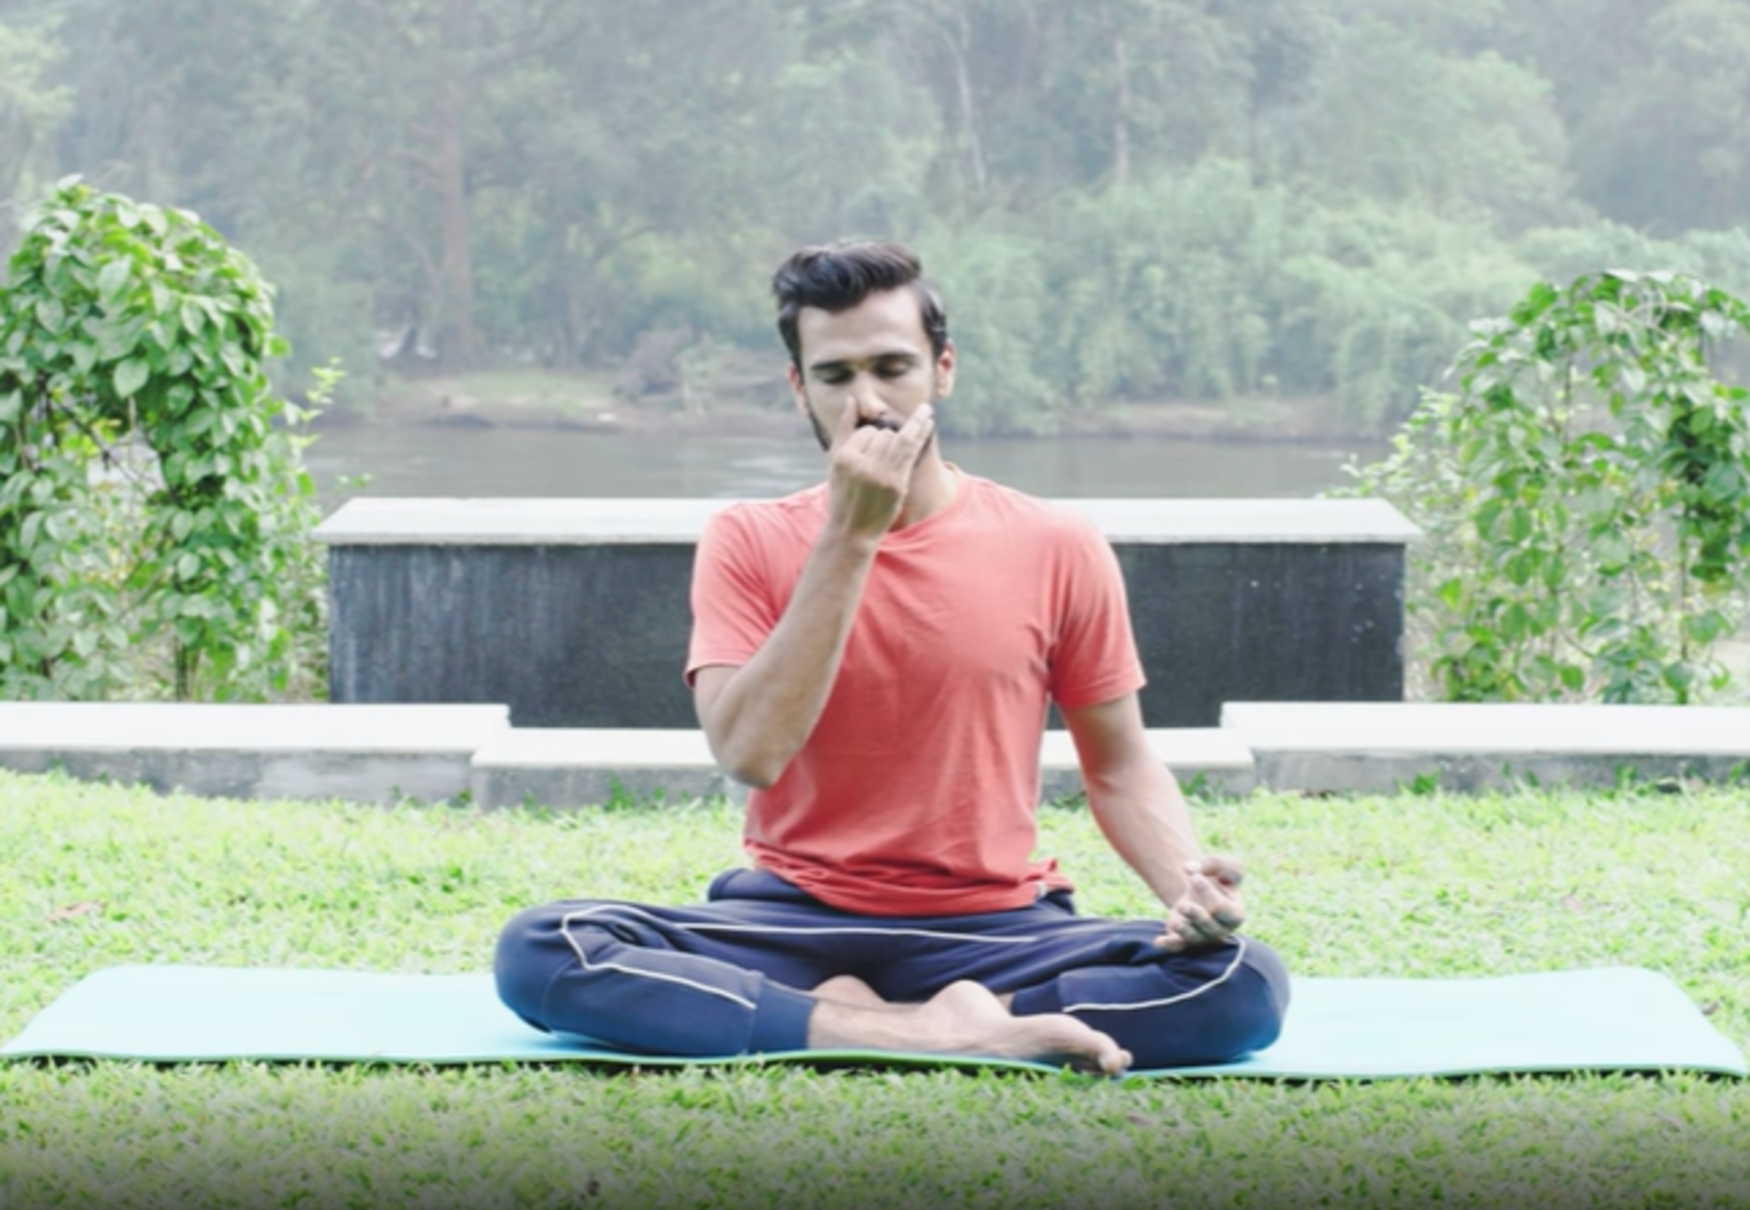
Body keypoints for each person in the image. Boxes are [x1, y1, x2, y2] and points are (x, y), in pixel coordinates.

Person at [495, 240, 1289, 1073]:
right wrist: (850, 534)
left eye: (892, 367)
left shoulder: (1057, 542)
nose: (868, 403)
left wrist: (1185, 887)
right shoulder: (747, 538)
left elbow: (1119, 764)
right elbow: (750, 754)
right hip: (792, 920)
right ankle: (951, 1031)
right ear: (799, 387)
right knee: (544, 948)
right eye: (835, 376)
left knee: (1241, 980)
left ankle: (866, 1018)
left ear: (942, 369)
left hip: (993, 928)